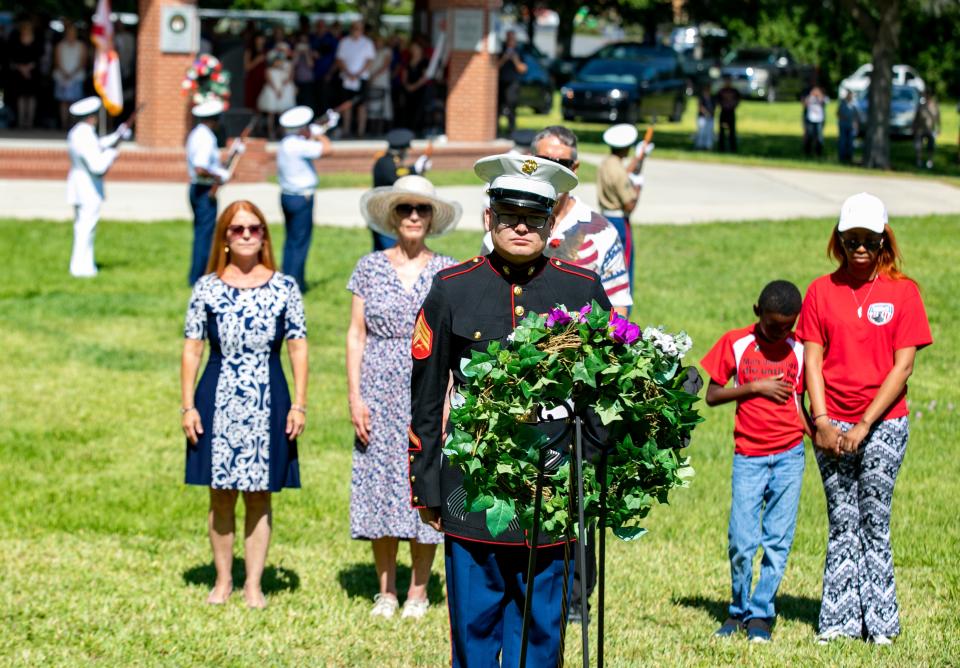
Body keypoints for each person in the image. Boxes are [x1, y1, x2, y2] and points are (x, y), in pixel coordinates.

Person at [410, 154, 612, 666]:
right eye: (509, 215)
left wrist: (586, 462)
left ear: (552, 221)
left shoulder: (580, 289)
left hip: (554, 479)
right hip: (470, 484)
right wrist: (428, 486)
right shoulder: (453, 288)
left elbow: (605, 389)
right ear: (488, 219)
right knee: (473, 630)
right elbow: (428, 397)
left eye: (536, 217)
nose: (522, 226)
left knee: (541, 631)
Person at [795, 192, 932, 645]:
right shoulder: (820, 290)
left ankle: (882, 625)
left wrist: (865, 424)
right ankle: (837, 620)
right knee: (841, 520)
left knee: (874, 518)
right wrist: (821, 421)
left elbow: (903, 367)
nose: (858, 248)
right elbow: (811, 361)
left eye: (868, 240)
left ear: (883, 242)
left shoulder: (903, 292)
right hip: (830, 421)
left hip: (884, 422)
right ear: (838, 239)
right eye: (850, 238)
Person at [181, 199, 307, 609]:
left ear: (265, 235)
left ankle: (253, 583)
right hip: (216, 397)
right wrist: (187, 406)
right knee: (220, 493)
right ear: (225, 239)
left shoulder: (285, 287)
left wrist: (299, 404)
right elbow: (192, 349)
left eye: (255, 228)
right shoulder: (207, 288)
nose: (248, 235)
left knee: (259, 494)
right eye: (238, 230)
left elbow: (298, 348)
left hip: (269, 397)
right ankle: (222, 580)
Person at [346, 175, 461, 619]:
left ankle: (418, 590)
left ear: (432, 218)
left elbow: (453, 341)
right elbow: (356, 335)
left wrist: (451, 396)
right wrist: (354, 397)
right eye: (405, 209)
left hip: (428, 389)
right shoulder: (369, 267)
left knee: (424, 479)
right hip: (376, 387)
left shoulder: (447, 270)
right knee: (379, 484)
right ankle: (386, 590)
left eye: (422, 209)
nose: (414, 217)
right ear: (392, 216)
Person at [701, 280, 807, 644]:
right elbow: (712, 394)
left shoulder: (801, 348)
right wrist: (755, 388)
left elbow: (805, 401)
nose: (780, 333)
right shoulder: (737, 342)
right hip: (749, 456)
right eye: (773, 325)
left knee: (778, 540)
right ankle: (737, 610)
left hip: (790, 455)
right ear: (756, 312)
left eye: (788, 326)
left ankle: (761, 614)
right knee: (742, 541)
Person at [65, 97, 129, 278]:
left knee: (82, 227)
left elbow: (98, 144)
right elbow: (98, 166)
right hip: (88, 186)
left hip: (79, 184)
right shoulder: (85, 135)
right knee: (87, 227)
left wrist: (117, 135)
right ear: (91, 117)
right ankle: (82, 269)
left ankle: (82, 265)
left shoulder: (78, 132)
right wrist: (113, 153)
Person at [276, 105, 334, 292]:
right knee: (300, 242)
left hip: (287, 195)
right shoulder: (300, 145)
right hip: (302, 198)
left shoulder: (286, 143)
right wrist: (319, 134)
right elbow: (327, 149)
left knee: (291, 241)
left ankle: (287, 278)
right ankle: (296, 285)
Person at [597, 123, 646, 309]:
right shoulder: (618, 171)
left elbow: (622, 173)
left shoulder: (607, 163)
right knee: (622, 269)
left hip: (604, 219)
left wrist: (639, 159)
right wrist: (639, 184)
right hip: (619, 221)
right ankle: (623, 314)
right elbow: (629, 204)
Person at [186, 99, 233, 286]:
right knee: (205, 236)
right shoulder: (206, 138)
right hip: (204, 188)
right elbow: (200, 167)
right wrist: (219, 175)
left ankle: (198, 274)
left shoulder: (197, 134)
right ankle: (200, 276)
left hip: (198, 187)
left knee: (202, 233)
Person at [371, 128, 432, 251]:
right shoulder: (384, 163)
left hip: (389, 215)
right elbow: (400, 181)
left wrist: (416, 169)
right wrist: (416, 170)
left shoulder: (390, 162)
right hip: (385, 216)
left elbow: (402, 172)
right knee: (390, 253)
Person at [335, 21, 375, 138]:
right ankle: (346, 130)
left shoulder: (367, 43)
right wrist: (348, 73)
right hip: (346, 78)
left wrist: (358, 74)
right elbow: (339, 59)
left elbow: (369, 61)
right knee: (346, 105)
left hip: (361, 78)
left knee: (361, 105)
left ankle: (360, 131)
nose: (357, 31)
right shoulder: (344, 42)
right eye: (355, 28)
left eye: (359, 29)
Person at [9, 18, 43, 129]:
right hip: (19, 73)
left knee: (31, 97)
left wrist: (28, 68)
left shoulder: (37, 40)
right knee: (21, 98)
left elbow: (39, 56)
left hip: (33, 73)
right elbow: (12, 56)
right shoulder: (15, 40)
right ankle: (21, 121)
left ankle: (29, 122)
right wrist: (22, 68)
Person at [258, 45, 297, 141]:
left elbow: (287, 78)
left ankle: (282, 131)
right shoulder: (270, 70)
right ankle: (271, 132)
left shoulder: (284, 68)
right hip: (273, 92)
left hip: (282, 91)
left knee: (282, 112)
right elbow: (270, 81)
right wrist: (277, 90)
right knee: (271, 114)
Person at [53, 21, 87, 130]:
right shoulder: (60, 46)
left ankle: (73, 124)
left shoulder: (81, 46)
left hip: (76, 77)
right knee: (63, 102)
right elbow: (57, 61)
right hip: (62, 77)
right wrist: (65, 73)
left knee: (75, 102)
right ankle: (64, 124)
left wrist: (72, 74)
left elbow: (83, 62)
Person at [497, 31, 527, 135]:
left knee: (511, 106)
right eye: (509, 39)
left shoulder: (519, 51)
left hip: (513, 83)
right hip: (501, 82)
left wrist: (515, 59)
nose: (511, 41)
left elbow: (523, 69)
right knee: (498, 107)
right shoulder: (501, 50)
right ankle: (497, 129)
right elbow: (495, 67)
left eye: (512, 39)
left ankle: (511, 130)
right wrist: (504, 58)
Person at [366, 33, 394, 136]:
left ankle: (383, 128)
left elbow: (386, 65)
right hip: (372, 81)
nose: (377, 43)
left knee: (384, 104)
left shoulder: (387, 51)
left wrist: (374, 76)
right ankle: (372, 128)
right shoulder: (372, 52)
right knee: (372, 104)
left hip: (381, 81)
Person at [912, 93, 940, 169]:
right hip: (920, 129)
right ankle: (919, 160)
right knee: (918, 146)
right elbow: (916, 117)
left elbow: (938, 118)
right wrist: (913, 127)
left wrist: (938, 128)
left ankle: (930, 161)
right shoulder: (921, 106)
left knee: (931, 146)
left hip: (930, 130)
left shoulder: (934, 107)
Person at [243, 33, 268, 113]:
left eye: (262, 39)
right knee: (253, 104)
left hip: (264, 79)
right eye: (259, 39)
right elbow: (247, 67)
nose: (261, 41)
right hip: (253, 79)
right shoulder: (249, 51)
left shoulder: (266, 51)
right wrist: (257, 60)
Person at [715, 76, 741, 153]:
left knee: (732, 132)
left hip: (731, 113)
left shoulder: (734, 91)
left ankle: (733, 148)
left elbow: (738, 100)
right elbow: (718, 101)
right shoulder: (721, 91)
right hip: (724, 113)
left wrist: (733, 105)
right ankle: (721, 148)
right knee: (722, 131)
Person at [292, 32, 316, 109]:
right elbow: (293, 64)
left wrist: (306, 53)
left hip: (308, 80)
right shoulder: (296, 51)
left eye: (304, 40)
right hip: (298, 80)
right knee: (299, 102)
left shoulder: (310, 50)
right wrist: (298, 53)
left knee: (308, 102)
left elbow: (311, 65)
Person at [803, 85, 828, 158]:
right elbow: (805, 104)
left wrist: (819, 95)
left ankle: (818, 153)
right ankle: (808, 152)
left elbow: (824, 101)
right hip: (810, 119)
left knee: (819, 137)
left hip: (819, 120)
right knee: (809, 135)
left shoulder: (822, 97)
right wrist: (811, 95)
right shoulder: (810, 98)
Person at [837, 90, 859, 164]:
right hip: (843, 125)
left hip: (851, 126)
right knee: (843, 141)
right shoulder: (843, 104)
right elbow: (838, 114)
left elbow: (856, 116)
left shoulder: (854, 105)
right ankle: (842, 157)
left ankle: (849, 156)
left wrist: (855, 125)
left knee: (850, 141)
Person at [694, 83, 716, 150]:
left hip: (710, 117)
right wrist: (706, 113)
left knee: (709, 132)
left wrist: (710, 113)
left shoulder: (712, 98)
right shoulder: (701, 98)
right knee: (701, 132)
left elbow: (714, 107)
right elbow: (700, 106)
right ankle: (699, 145)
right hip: (702, 117)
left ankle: (708, 146)